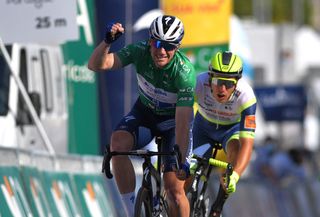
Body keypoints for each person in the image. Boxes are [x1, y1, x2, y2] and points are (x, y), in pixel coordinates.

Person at [88, 15, 195, 217]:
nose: (161, 50)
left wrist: (181, 160)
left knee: (174, 190)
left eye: (168, 46)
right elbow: (96, 65)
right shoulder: (140, 51)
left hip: (173, 123)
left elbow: (182, 122)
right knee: (117, 145)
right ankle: (131, 211)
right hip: (145, 114)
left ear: (177, 47)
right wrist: (107, 43)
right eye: (156, 43)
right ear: (149, 40)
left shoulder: (184, 73)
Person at [191, 51, 257, 217]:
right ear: (209, 77)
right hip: (203, 128)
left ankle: (217, 208)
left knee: (235, 152)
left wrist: (235, 175)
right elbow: (179, 115)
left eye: (228, 84)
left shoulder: (247, 96)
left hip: (230, 131)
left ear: (236, 83)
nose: (221, 89)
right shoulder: (198, 82)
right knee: (185, 178)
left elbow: (248, 145)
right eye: (217, 81)